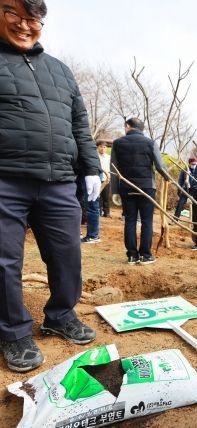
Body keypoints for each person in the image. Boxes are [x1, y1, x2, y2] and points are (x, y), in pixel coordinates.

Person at [0, 0, 98, 372]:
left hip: (58, 180)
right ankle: (12, 332)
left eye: (33, 18)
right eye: (13, 13)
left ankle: (60, 314)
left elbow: (79, 123)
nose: (24, 25)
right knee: (5, 261)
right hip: (6, 179)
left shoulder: (59, 70)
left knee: (67, 253)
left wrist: (91, 168)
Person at [111, 117, 170, 265]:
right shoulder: (150, 143)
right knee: (146, 221)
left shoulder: (117, 143)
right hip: (147, 187)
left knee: (130, 220)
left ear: (128, 126)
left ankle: (132, 256)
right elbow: (160, 166)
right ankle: (145, 255)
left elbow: (114, 169)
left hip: (126, 187)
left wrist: (115, 191)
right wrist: (167, 177)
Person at [97, 141, 111, 218]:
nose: (102, 148)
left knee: (106, 196)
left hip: (106, 179)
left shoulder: (109, 157)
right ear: (98, 147)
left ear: (106, 148)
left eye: (104, 147)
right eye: (101, 147)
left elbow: (111, 168)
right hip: (97, 179)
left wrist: (110, 177)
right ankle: (98, 211)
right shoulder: (96, 157)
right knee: (98, 196)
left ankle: (107, 212)